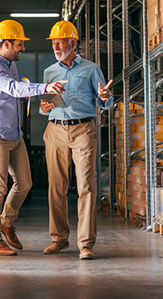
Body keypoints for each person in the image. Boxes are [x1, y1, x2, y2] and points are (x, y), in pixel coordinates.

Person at [0, 19, 68, 256]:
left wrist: (27, 94)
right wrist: (44, 88)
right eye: (19, 44)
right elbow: (13, 88)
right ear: (6, 44)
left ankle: (6, 222)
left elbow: (16, 90)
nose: (23, 48)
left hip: (13, 135)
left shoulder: (10, 64)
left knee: (25, 183)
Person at [39, 20, 113, 260]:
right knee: (56, 187)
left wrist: (104, 96)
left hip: (83, 130)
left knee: (86, 187)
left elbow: (105, 102)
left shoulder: (91, 69)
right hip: (55, 129)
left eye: (60, 42)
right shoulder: (49, 72)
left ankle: (86, 244)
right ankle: (59, 239)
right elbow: (44, 107)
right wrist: (43, 106)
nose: (56, 46)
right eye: (54, 42)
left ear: (73, 43)